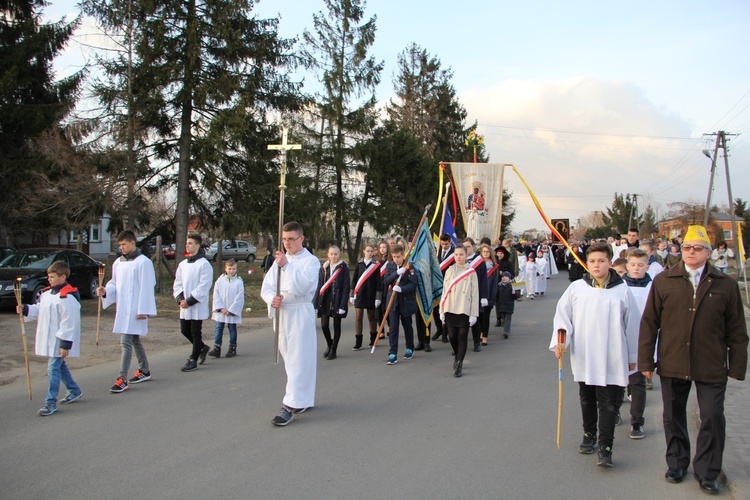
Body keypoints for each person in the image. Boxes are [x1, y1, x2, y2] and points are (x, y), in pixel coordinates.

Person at [639, 225, 748, 494]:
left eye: (697, 248)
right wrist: (645, 362)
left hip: (711, 363)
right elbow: (649, 323)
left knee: (712, 416)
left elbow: (737, 329)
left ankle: (708, 471)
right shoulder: (664, 280)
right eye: (686, 247)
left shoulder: (726, 285)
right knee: (673, 415)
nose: (690, 252)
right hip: (673, 360)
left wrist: (736, 366)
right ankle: (677, 463)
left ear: (708, 253)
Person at [550, 242, 640, 468]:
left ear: (610, 262)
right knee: (587, 397)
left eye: (601, 261)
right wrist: (561, 341)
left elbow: (633, 327)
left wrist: (633, 357)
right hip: (586, 354)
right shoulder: (577, 288)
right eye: (592, 261)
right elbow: (563, 318)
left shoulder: (623, 291)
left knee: (609, 403)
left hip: (613, 356)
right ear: (586, 263)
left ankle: (606, 447)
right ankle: (589, 434)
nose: (596, 265)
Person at [261, 221, 320, 426]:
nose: (287, 243)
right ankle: (302, 398)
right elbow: (267, 287)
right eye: (284, 239)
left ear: (301, 238)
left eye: (291, 239)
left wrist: (287, 265)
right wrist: (272, 299)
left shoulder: (311, 261)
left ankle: (288, 406)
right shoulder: (279, 261)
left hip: (299, 312)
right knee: (290, 358)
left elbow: (303, 286)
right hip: (283, 313)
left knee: (298, 359)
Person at [18, 261, 83, 416]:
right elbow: (40, 309)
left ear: (62, 277)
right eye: (48, 276)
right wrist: (26, 309)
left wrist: (65, 344)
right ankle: (74, 390)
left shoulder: (67, 297)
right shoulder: (47, 294)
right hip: (49, 337)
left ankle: (50, 402)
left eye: (52, 277)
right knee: (59, 366)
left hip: (59, 340)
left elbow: (69, 322)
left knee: (53, 368)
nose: (49, 279)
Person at [98, 230, 158, 392]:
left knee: (126, 342)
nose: (121, 248)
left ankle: (122, 378)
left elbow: (147, 286)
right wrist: (105, 291)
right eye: (120, 245)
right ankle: (144, 370)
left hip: (136, 309)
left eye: (124, 244)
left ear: (133, 243)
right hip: (123, 307)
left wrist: (144, 309)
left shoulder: (143, 262)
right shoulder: (118, 262)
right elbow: (114, 283)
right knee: (134, 340)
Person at [621, 248, 652, 440]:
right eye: (633, 265)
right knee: (616, 381)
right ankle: (614, 412)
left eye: (641, 265)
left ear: (647, 266)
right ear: (627, 266)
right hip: (621, 340)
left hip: (642, 340)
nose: (636, 269)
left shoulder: (653, 286)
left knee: (637, 382)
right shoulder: (620, 286)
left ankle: (637, 422)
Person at [173, 233, 214, 372]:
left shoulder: (204, 264)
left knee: (196, 333)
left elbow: (204, 286)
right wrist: (180, 299)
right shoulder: (183, 264)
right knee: (185, 330)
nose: (187, 245)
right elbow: (177, 283)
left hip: (196, 304)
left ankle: (193, 359)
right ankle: (202, 347)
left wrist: (190, 300)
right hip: (184, 304)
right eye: (187, 243)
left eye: (190, 243)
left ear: (197, 245)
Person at [439, 245, 479, 377]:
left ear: (466, 256)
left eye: (461, 254)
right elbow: (444, 291)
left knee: (462, 336)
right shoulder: (449, 271)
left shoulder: (471, 272)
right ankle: (457, 354)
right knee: (452, 336)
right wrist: (442, 310)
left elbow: (475, 294)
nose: (458, 257)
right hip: (450, 307)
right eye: (456, 255)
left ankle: (460, 363)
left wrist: (474, 313)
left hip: (464, 308)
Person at [313, 245, 350, 360]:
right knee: (324, 326)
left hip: (337, 300)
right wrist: (316, 302)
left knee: (336, 326)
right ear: (328, 255)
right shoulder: (324, 268)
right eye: (332, 254)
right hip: (325, 300)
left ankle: (334, 349)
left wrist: (343, 304)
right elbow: (319, 285)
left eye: (336, 254)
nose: (334, 256)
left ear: (340, 255)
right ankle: (330, 343)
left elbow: (346, 288)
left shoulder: (343, 268)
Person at [383, 244, 417, 365]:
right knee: (393, 328)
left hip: (405, 301)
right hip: (393, 302)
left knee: (407, 325)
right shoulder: (390, 266)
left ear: (403, 255)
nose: (396, 259)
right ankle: (392, 353)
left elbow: (413, 285)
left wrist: (401, 289)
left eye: (398, 256)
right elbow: (385, 281)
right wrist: (396, 273)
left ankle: (409, 348)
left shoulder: (410, 266)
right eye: (394, 256)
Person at [208, 259, 244, 359]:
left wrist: (231, 310)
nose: (231, 271)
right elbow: (216, 295)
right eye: (229, 269)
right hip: (221, 311)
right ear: (225, 268)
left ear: (236, 269)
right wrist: (221, 308)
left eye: (233, 269)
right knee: (218, 328)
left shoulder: (238, 282)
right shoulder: (220, 281)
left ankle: (232, 347)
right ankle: (217, 347)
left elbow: (239, 297)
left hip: (231, 311)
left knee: (232, 329)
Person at [349, 244, 382, 349]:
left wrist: (378, 297)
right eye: (367, 250)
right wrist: (351, 295)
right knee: (358, 317)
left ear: (374, 252)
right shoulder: (359, 264)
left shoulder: (376, 265)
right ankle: (358, 341)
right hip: (360, 294)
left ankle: (373, 340)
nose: (369, 253)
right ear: (363, 251)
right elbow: (354, 280)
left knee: (371, 317)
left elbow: (378, 282)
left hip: (371, 294)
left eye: (371, 251)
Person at [462, 237, 488, 352]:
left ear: (473, 246)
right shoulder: (459, 260)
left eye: (468, 246)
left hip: (475, 294)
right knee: (462, 321)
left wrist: (484, 296)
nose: (466, 249)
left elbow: (483, 280)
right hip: (462, 295)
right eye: (464, 247)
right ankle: (460, 345)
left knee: (475, 321)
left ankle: (477, 342)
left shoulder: (479, 262)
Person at [433, 233, 455, 343]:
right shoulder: (437, 251)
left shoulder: (454, 253)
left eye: (446, 244)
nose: (444, 246)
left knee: (446, 309)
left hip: (449, 284)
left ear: (450, 241)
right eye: (442, 244)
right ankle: (439, 329)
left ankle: (445, 333)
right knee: (435, 308)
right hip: (437, 284)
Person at [478, 244, 498, 346]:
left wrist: (492, 297)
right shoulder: (477, 265)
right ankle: (480, 332)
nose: (485, 253)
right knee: (479, 317)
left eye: (487, 251)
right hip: (479, 295)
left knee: (486, 316)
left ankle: (485, 336)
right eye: (484, 251)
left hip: (489, 295)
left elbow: (495, 283)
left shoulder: (494, 267)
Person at [375, 240, 392, 340]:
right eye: (380, 247)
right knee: (378, 308)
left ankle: (390, 326)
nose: (382, 249)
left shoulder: (390, 261)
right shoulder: (376, 261)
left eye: (384, 247)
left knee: (386, 308)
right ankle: (381, 330)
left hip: (387, 286)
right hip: (378, 287)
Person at [496, 271, 519, 339]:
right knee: (503, 318)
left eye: (506, 277)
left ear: (509, 278)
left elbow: (517, 296)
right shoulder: (499, 286)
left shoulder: (513, 285)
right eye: (503, 277)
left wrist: (514, 293)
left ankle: (506, 331)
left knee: (508, 319)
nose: (504, 278)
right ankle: (505, 328)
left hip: (509, 305)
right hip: (501, 305)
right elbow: (496, 295)